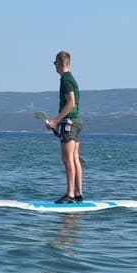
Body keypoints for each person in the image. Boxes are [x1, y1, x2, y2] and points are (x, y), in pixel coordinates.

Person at [46, 51, 83, 203]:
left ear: (60, 64)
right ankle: (78, 193)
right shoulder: (71, 79)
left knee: (68, 159)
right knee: (74, 158)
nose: (54, 66)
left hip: (69, 122)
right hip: (75, 121)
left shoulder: (66, 80)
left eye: (55, 63)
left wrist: (55, 121)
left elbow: (71, 103)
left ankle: (70, 194)